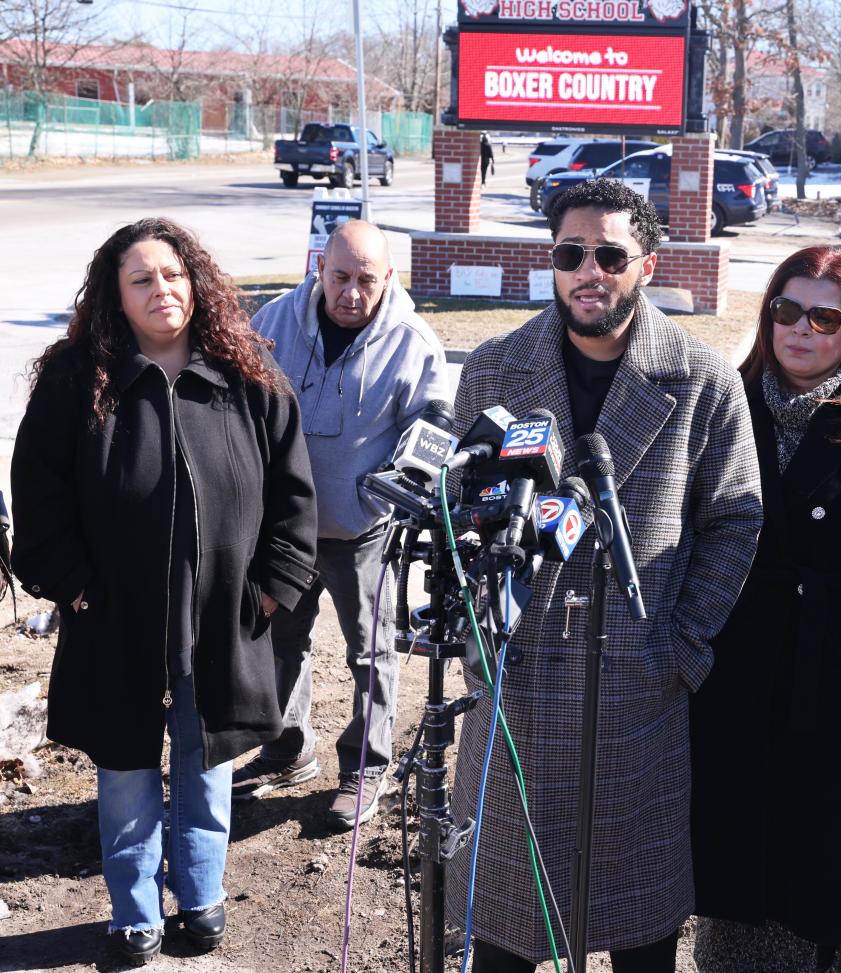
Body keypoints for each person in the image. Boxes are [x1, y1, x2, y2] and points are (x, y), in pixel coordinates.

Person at [446, 177, 763, 971]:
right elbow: (462, 512)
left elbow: (734, 520)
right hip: (518, 691)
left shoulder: (700, 379)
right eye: (569, 253)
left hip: (637, 694)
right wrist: (480, 637)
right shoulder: (491, 371)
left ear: (646, 264)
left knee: (638, 933)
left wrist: (677, 648)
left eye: (610, 254)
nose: (590, 271)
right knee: (505, 936)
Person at [11, 218, 319, 966]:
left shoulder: (247, 377)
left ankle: (204, 898)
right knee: (125, 771)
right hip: (115, 616)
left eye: (174, 274)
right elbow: (38, 496)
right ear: (115, 295)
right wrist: (74, 589)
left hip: (222, 618)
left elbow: (294, 497)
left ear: (197, 282)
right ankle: (135, 912)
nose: (162, 290)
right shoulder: (76, 381)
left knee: (206, 765)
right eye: (142, 278)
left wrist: (272, 592)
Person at [690, 246, 841, 973]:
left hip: (828, 673)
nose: (800, 329)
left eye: (824, 316)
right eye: (785, 310)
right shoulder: (723, 408)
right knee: (731, 851)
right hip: (731, 667)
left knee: (816, 857)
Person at [233, 219, 452, 828]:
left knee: (371, 653)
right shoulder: (274, 321)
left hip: (363, 531)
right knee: (279, 640)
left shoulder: (412, 340)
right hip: (282, 528)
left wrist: (402, 482)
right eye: (340, 277)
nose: (351, 293)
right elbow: (235, 396)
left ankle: (366, 765)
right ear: (318, 270)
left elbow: (435, 424)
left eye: (366, 280)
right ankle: (285, 747)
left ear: (388, 278)